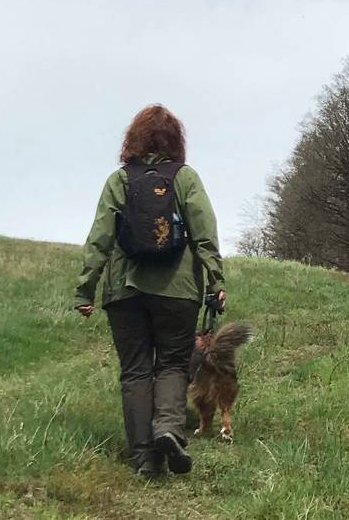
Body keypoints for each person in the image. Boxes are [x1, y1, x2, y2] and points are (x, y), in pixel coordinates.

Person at [75, 104, 226, 479]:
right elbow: (205, 233)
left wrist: (85, 289)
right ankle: (169, 429)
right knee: (173, 363)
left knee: (135, 371)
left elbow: (99, 238)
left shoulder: (120, 180)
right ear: (176, 141)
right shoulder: (185, 178)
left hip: (124, 291)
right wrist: (216, 281)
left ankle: (144, 458)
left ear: (133, 140)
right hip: (178, 289)